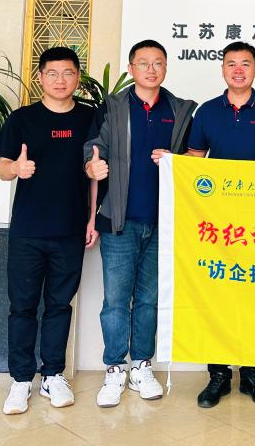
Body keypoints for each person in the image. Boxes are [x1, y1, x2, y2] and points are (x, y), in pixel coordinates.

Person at [84, 40, 197, 408]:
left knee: (148, 300)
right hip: (120, 220)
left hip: (163, 222)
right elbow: (93, 149)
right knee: (116, 301)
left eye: (158, 63)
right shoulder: (113, 107)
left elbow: (195, 160)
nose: (151, 69)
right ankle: (115, 368)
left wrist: (175, 159)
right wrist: (92, 166)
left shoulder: (180, 110)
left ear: (166, 68)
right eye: (143, 63)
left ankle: (141, 366)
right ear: (131, 68)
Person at [185, 41, 255, 408]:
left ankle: (252, 373)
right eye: (231, 64)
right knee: (217, 294)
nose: (238, 70)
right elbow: (194, 158)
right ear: (222, 70)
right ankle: (218, 375)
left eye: (245, 63)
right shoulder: (207, 111)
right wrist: (173, 164)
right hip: (218, 222)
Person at [0, 47, 95, 415]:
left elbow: (94, 171)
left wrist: (92, 218)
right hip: (28, 230)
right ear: (40, 77)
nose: (60, 80)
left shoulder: (90, 118)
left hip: (70, 229)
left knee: (59, 306)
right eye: (52, 73)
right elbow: (2, 167)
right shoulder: (22, 119)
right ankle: (21, 380)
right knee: (22, 306)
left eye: (67, 73)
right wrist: (16, 170)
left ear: (78, 78)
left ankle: (53, 374)